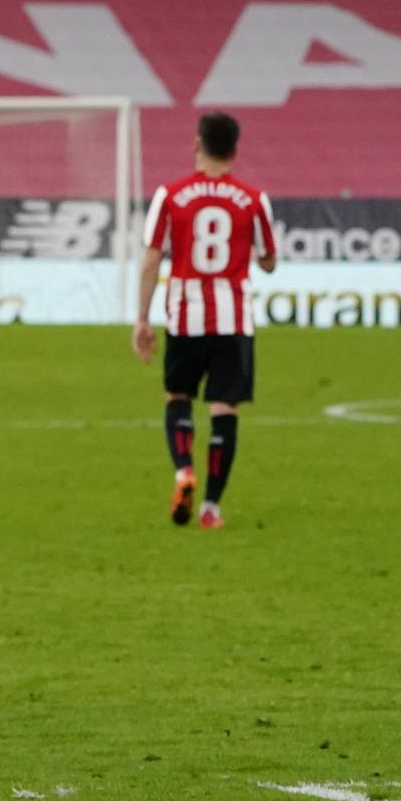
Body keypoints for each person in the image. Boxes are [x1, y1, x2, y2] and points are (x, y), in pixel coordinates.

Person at [133, 112, 278, 529]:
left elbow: (150, 261)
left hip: (184, 317)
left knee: (178, 396)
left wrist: (142, 319)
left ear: (197, 145)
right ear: (234, 151)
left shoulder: (170, 195)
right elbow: (269, 262)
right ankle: (211, 509)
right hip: (233, 319)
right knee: (223, 408)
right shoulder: (253, 199)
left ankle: (183, 470)